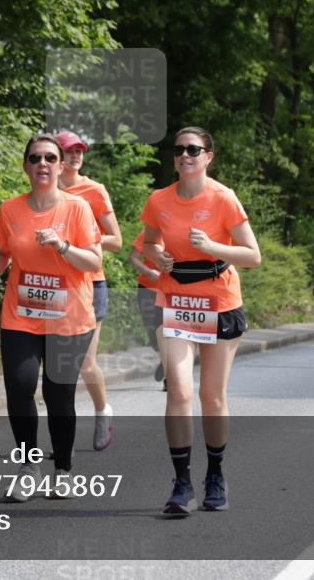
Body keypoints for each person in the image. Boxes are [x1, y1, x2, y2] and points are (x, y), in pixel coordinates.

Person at [141, 126, 261, 516]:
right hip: (175, 300)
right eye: (179, 150)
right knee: (178, 392)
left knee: (212, 397)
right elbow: (148, 242)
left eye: (193, 149)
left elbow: (252, 255)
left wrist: (212, 247)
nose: (185, 155)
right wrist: (157, 255)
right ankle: (181, 482)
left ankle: (216, 474)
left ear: (209, 156)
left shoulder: (223, 198)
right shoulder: (159, 199)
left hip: (219, 301)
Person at [0, 134, 102, 501]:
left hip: (69, 317)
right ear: (26, 166)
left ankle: (62, 468)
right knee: (19, 386)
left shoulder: (76, 208)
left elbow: (94, 261)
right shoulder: (12, 209)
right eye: (35, 158)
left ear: (61, 166)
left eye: (50, 158)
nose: (43, 164)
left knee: (58, 396)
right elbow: (1, 253)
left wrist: (63, 247)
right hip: (22, 315)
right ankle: (28, 467)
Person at [56, 130, 123, 451]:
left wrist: (80, 242)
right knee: (58, 362)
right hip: (52, 285)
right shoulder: (45, 188)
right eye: (69, 150)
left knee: (83, 360)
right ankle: (62, 430)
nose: (76, 155)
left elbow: (117, 239)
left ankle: (102, 411)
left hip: (89, 282)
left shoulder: (94, 190)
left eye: (80, 151)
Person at [128, 228, 166, 390]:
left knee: (166, 332)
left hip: (169, 292)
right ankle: (165, 358)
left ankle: (169, 378)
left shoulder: (182, 232)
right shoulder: (148, 233)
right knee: (152, 333)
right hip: (147, 289)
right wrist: (148, 271)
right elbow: (133, 258)